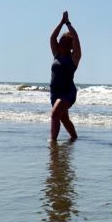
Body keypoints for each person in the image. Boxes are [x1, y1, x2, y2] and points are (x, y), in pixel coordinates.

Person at [49, 11, 81, 141]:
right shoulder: (57, 55)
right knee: (64, 119)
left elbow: (76, 38)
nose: (59, 43)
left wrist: (68, 23)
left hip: (67, 93)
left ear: (69, 46)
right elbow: (52, 38)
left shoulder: (74, 58)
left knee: (55, 114)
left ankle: (52, 141)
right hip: (55, 93)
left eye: (63, 42)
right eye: (60, 41)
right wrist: (61, 22)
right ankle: (74, 138)